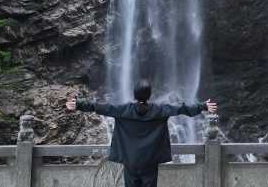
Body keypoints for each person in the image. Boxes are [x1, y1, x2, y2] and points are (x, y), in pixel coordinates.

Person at [66, 79, 218, 187]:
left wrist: (78, 104)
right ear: (149, 94)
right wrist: (203, 106)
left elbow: (98, 107)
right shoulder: (159, 110)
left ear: (134, 94)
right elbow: (182, 108)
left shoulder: (123, 110)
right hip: (150, 162)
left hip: (131, 162)